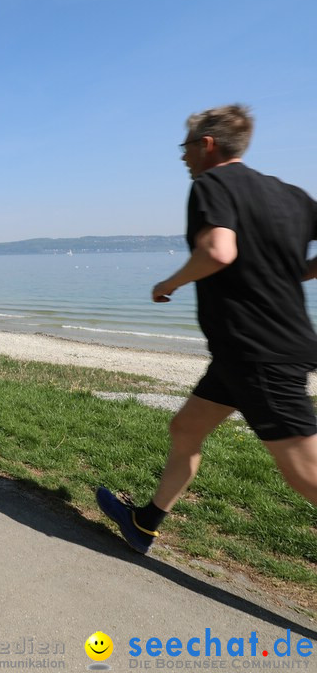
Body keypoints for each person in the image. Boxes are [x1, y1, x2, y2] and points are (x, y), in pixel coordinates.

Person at [97, 104, 317, 554]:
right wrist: (290, 273)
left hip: (259, 352)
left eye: (186, 147)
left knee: (305, 473)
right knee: (185, 429)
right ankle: (144, 523)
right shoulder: (290, 194)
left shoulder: (212, 184)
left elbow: (219, 251)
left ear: (208, 145)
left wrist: (169, 283)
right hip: (241, 353)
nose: (183, 158)